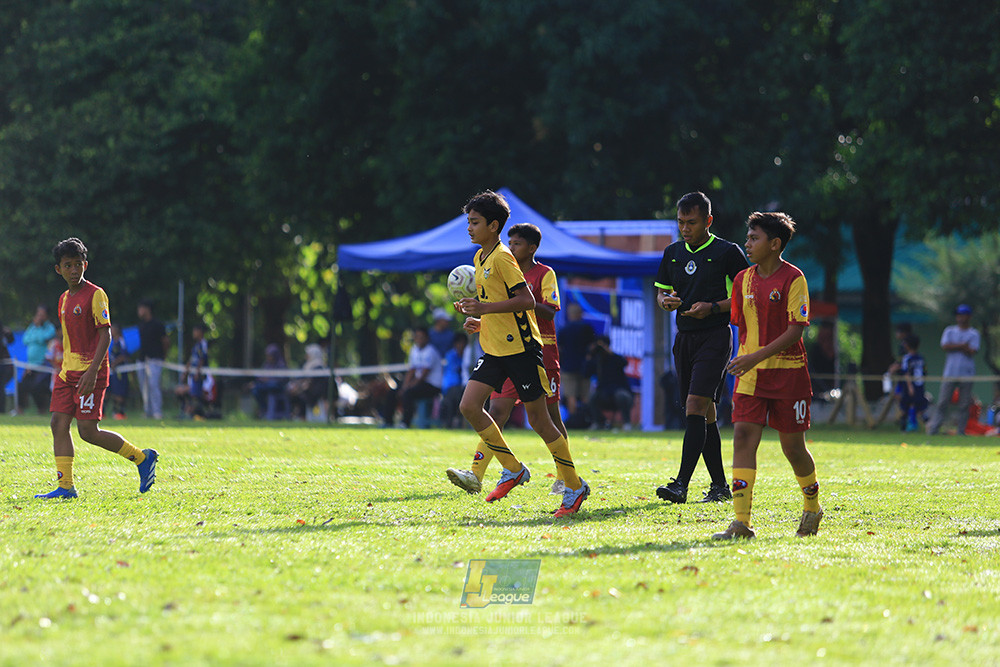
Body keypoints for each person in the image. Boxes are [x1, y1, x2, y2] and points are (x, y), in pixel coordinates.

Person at [450, 190, 589, 517]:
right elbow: (498, 307)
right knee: (470, 406)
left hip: (522, 350)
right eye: (468, 221)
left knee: (540, 420)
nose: (469, 228)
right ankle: (512, 468)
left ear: (493, 225)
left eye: (475, 222)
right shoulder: (480, 258)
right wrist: (479, 319)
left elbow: (526, 301)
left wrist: (484, 307)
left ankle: (573, 484)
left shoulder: (502, 257)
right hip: (495, 349)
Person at [712, 212, 821, 539]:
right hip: (750, 376)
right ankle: (741, 523)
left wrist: (754, 356)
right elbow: (740, 326)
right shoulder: (743, 280)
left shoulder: (794, 278)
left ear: (775, 244)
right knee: (743, 437)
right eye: (747, 237)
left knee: (793, 449)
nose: (747, 243)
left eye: (754, 238)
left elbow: (796, 331)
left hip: (789, 376)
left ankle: (812, 506)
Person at [34, 238, 157, 499]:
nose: (74, 270)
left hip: (92, 372)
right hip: (68, 374)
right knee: (58, 422)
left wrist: (92, 372)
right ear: (59, 269)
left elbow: (106, 335)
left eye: (78, 264)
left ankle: (142, 458)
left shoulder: (96, 294)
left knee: (88, 432)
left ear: (85, 265)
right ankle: (65, 486)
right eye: (68, 265)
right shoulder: (63, 299)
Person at [654, 191, 750, 504]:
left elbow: (746, 296)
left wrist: (712, 307)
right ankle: (720, 486)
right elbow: (662, 291)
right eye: (681, 222)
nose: (685, 228)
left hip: (715, 336)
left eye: (691, 222)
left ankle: (680, 484)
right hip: (684, 338)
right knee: (704, 412)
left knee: (695, 405)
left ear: (708, 221)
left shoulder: (727, 251)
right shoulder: (672, 252)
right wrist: (666, 301)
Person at [926, 304, 980, 435]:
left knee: (964, 405)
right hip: (950, 373)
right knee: (943, 402)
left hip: (967, 373)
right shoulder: (949, 331)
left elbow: (972, 350)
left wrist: (956, 346)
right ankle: (934, 429)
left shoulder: (974, 333)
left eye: (964, 315)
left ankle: (961, 431)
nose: (961, 318)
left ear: (969, 316)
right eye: (959, 315)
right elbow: (945, 346)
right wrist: (962, 345)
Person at [583, 335, 635, 430]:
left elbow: (624, 363)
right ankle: (598, 423)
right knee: (592, 398)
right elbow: (585, 373)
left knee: (621, 396)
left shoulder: (614, 358)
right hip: (604, 393)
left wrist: (609, 352)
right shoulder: (597, 360)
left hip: (619, 391)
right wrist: (590, 354)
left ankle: (627, 423)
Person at [557, 302, 595, 422]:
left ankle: (574, 421)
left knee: (570, 395)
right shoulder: (587, 328)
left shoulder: (564, 330)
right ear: (580, 314)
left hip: (568, 367)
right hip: (584, 367)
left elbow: (559, 349)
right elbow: (592, 347)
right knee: (585, 395)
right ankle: (586, 419)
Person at [17, 304, 57, 414]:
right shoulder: (32, 326)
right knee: (22, 385)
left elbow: (43, 338)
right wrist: (36, 332)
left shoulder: (50, 328)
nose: (39, 317)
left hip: (44, 365)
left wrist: (37, 330)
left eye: (42, 315)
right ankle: (20, 409)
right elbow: (25, 339)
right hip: (31, 365)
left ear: (47, 316)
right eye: (38, 314)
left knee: (37, 387)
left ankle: (42, 409)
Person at [175, 323, 217, 420]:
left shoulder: (203, 344)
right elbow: (191, 360)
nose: (193, 333)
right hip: (193, 378)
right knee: (179, 391)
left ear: (200, 332)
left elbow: (202, 359)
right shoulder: (196, 346)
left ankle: (193, 413)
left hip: (200, 379)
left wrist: (198, 372)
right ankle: (186, 411)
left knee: (195, 395)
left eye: (195, 331)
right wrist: (185, 373)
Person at [137, 298, 169, 419]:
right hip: (142, 360)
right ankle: (148, 410)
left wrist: (163, 356)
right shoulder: (141, 326)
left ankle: (157, 411)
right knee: (144, 387)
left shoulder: (158, 325)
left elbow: (165, 341)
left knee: (154, 385)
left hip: (155, 359)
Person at [287, 343, 331, 421]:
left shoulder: (318, 368)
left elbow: (315, 386)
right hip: (307, 392)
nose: (306, 356)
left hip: (314, 394)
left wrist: (301, 389)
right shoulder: (307, 366)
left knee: (301, 397)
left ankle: (302, 417)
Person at [438, 332, 469, 429]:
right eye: (459, 343)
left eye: (463, 343)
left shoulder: (468, 356)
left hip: (461, 387)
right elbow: (452, 375)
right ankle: (450, 423)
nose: (461, 346)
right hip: (451, 387)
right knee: (455, 395)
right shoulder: (450, 356)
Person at [897, 334, 927, 432]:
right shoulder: (921, 358)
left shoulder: (907, 358)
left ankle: (913, 426)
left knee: (909, 406)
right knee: (912, 406)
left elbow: (906, 373)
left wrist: (909, 386)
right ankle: (908, 427)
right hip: (919, 385)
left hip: (912, 386)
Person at [252, 343, 289, 420]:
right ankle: (264, 410)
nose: (268, 357)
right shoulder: (266, 364)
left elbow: (282, 379)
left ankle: (272, 413)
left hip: (278, 387)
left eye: (270, 355)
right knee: (255, 390)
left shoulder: (281, 364)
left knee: (271, 385)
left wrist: (269, 379)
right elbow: (261, 376)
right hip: (266, 387)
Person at [107, 323, 131, 419]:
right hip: (113, 371)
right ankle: (113, 411)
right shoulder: (112, 341)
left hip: (120, 371)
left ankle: (120, 412)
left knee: (119, 391)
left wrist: (115, 363)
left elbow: (124, 355)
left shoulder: (121, 341)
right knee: (111, 391)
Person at [0, 320, 14, 414]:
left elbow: (11, 340)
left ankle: (2, 411)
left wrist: (8, 333)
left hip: (4, 364)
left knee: (1, 387)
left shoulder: (4, 332)